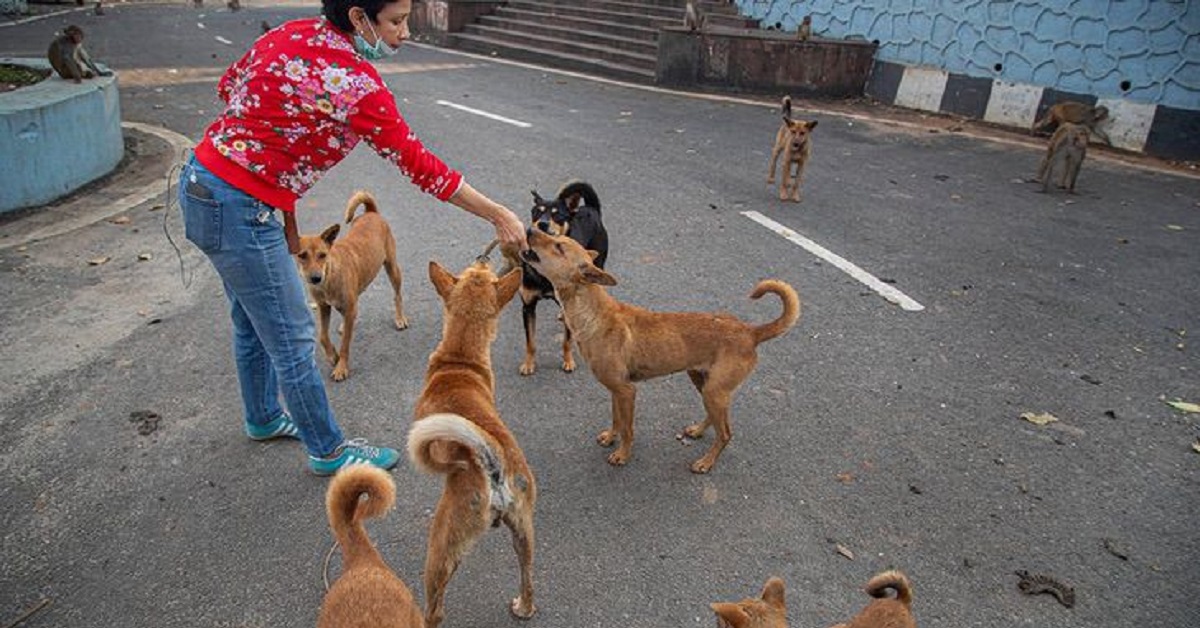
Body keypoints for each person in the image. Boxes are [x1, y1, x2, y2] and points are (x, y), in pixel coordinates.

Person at [178, 0, 527, 475]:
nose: (406, 33)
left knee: (250, 319)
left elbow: (233, 93)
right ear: (360, 18)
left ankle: (262, 416)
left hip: (204, 187)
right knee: (294, 336)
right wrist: (497, 214)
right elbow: (421, 166)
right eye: (397, 21)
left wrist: (287, 214)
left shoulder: (291, 33)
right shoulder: (358, 87)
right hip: (240, 208)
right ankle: (329, 451)